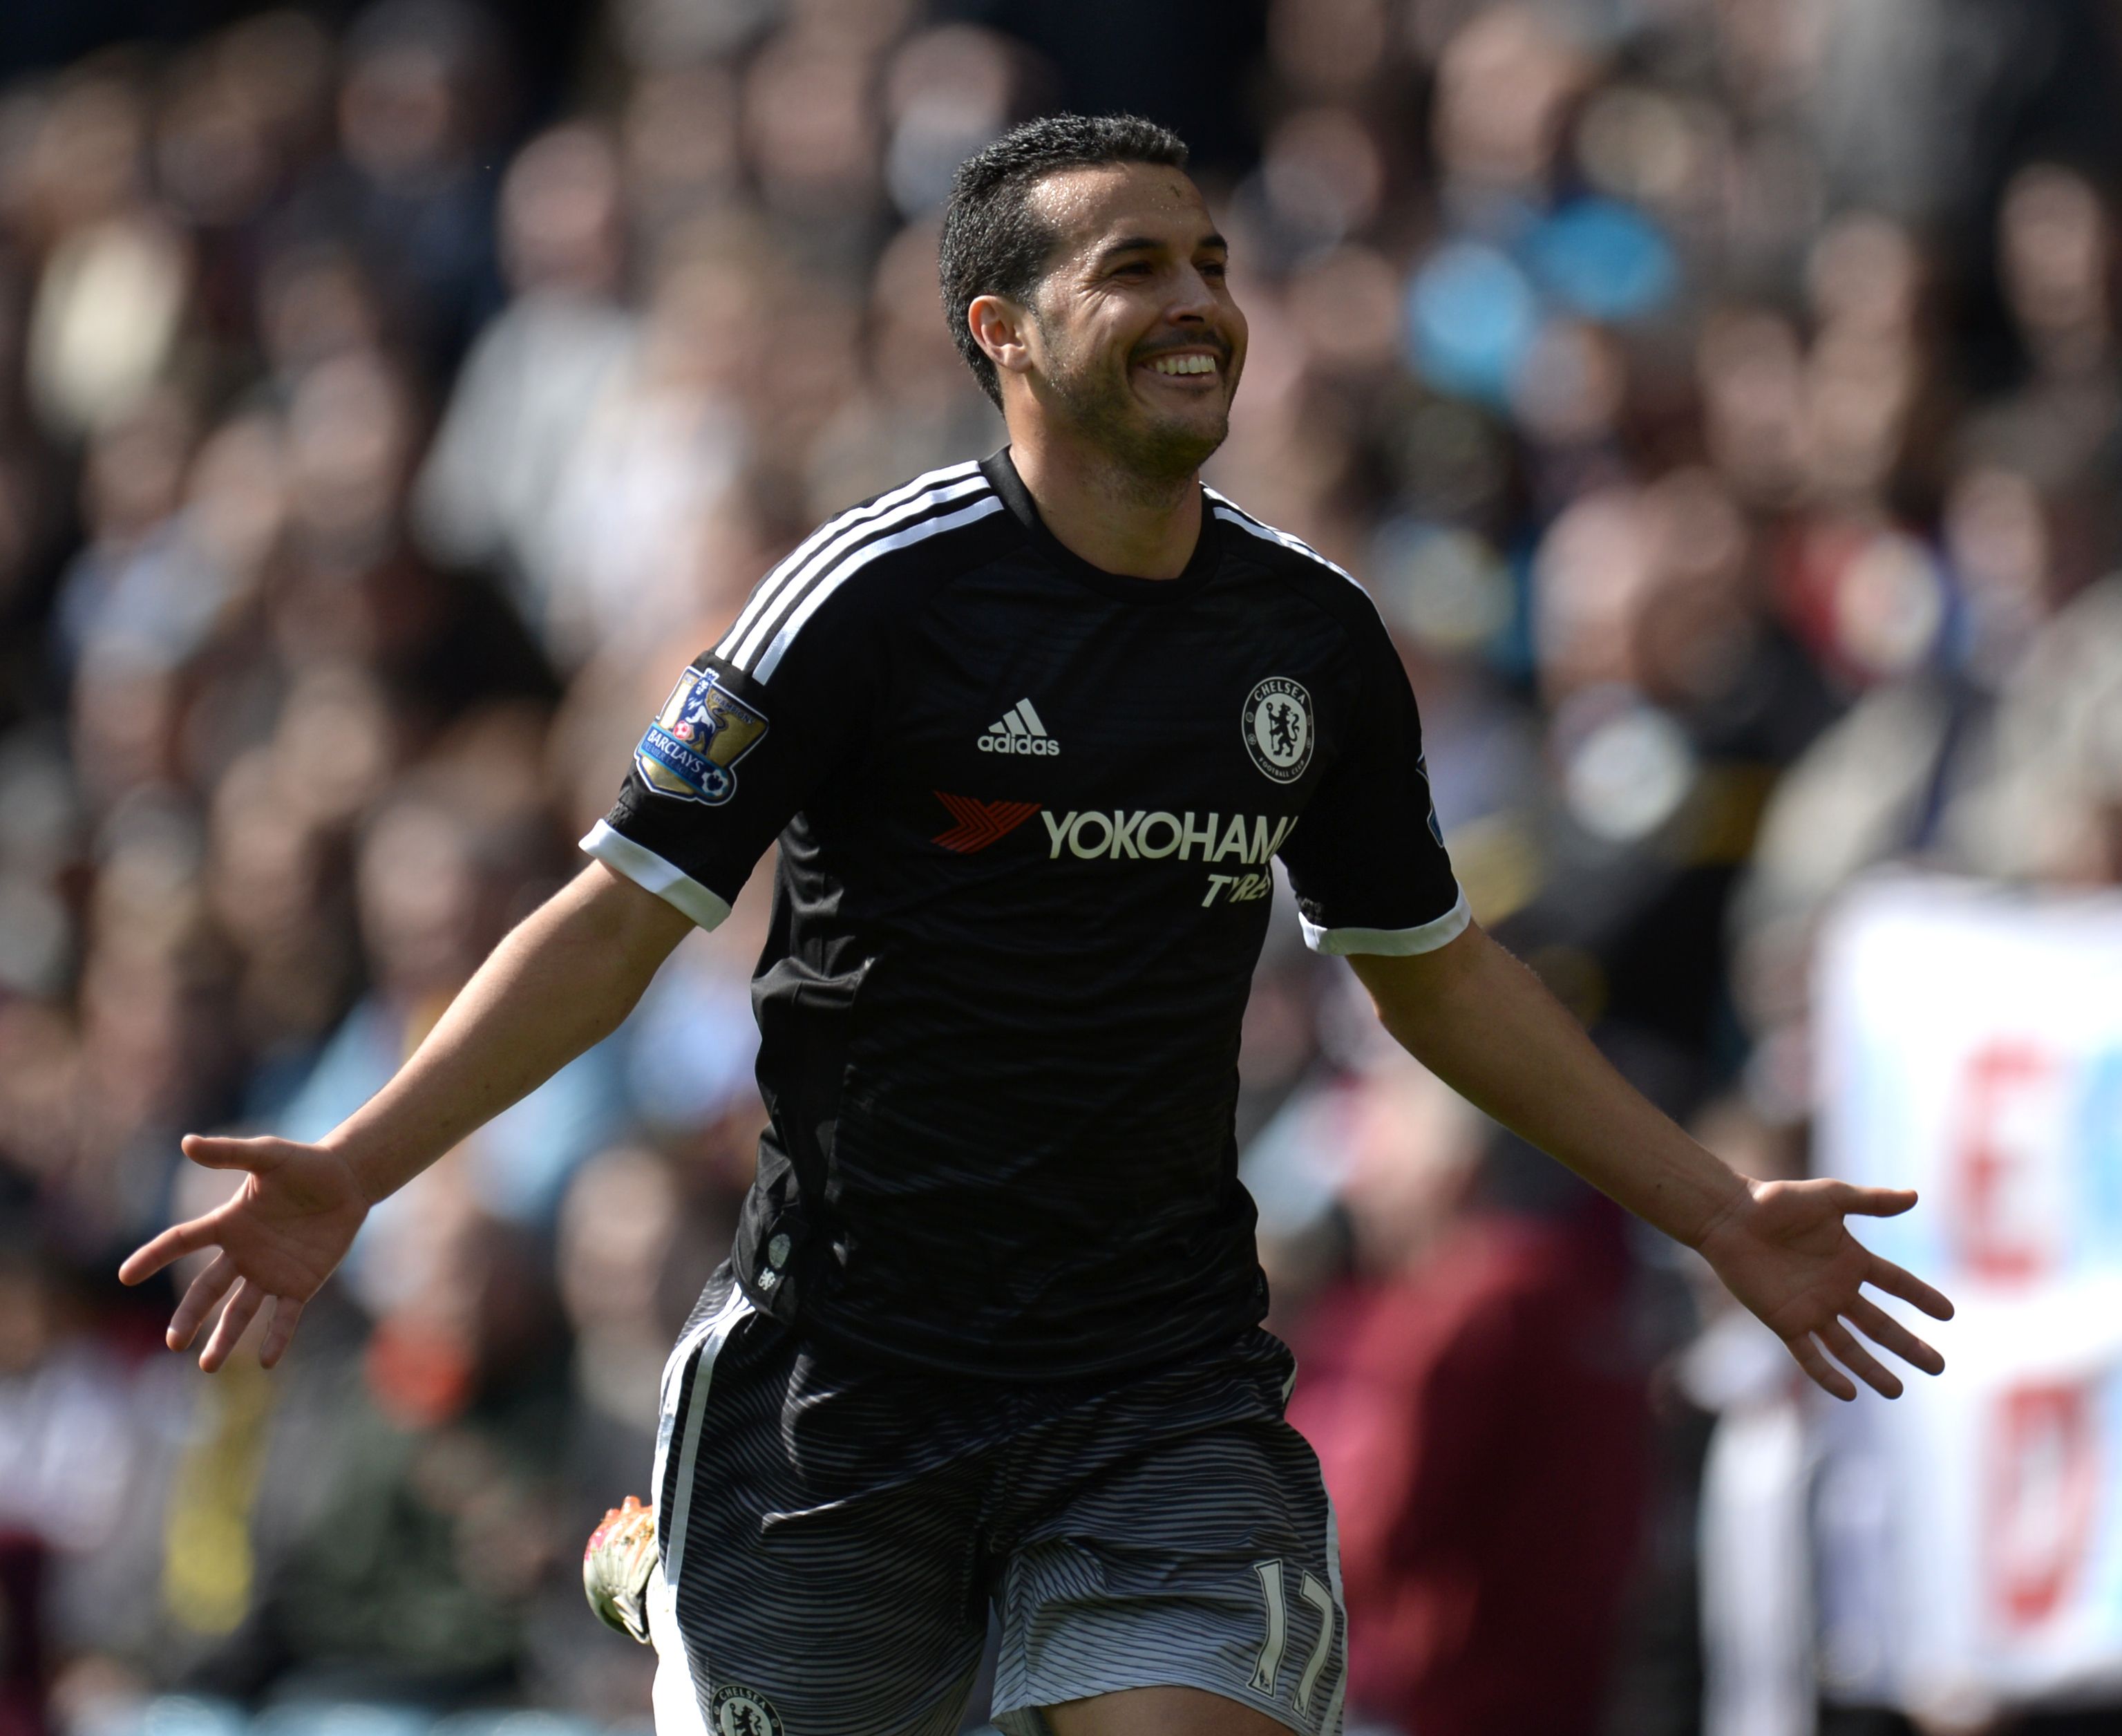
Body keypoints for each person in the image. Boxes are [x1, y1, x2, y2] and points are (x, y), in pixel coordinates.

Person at [120, 115, 1953, 1736]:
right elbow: (617, 919)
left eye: (1214, 265)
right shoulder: (865, 598)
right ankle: (673, 1555)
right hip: (846, 1385)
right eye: (1133, 266)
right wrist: (359, 1169)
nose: (1198, 304)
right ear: (999, 331)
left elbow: (1441, 978)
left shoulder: (1307, 641)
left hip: (1154, 1387)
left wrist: (1714, 1214)